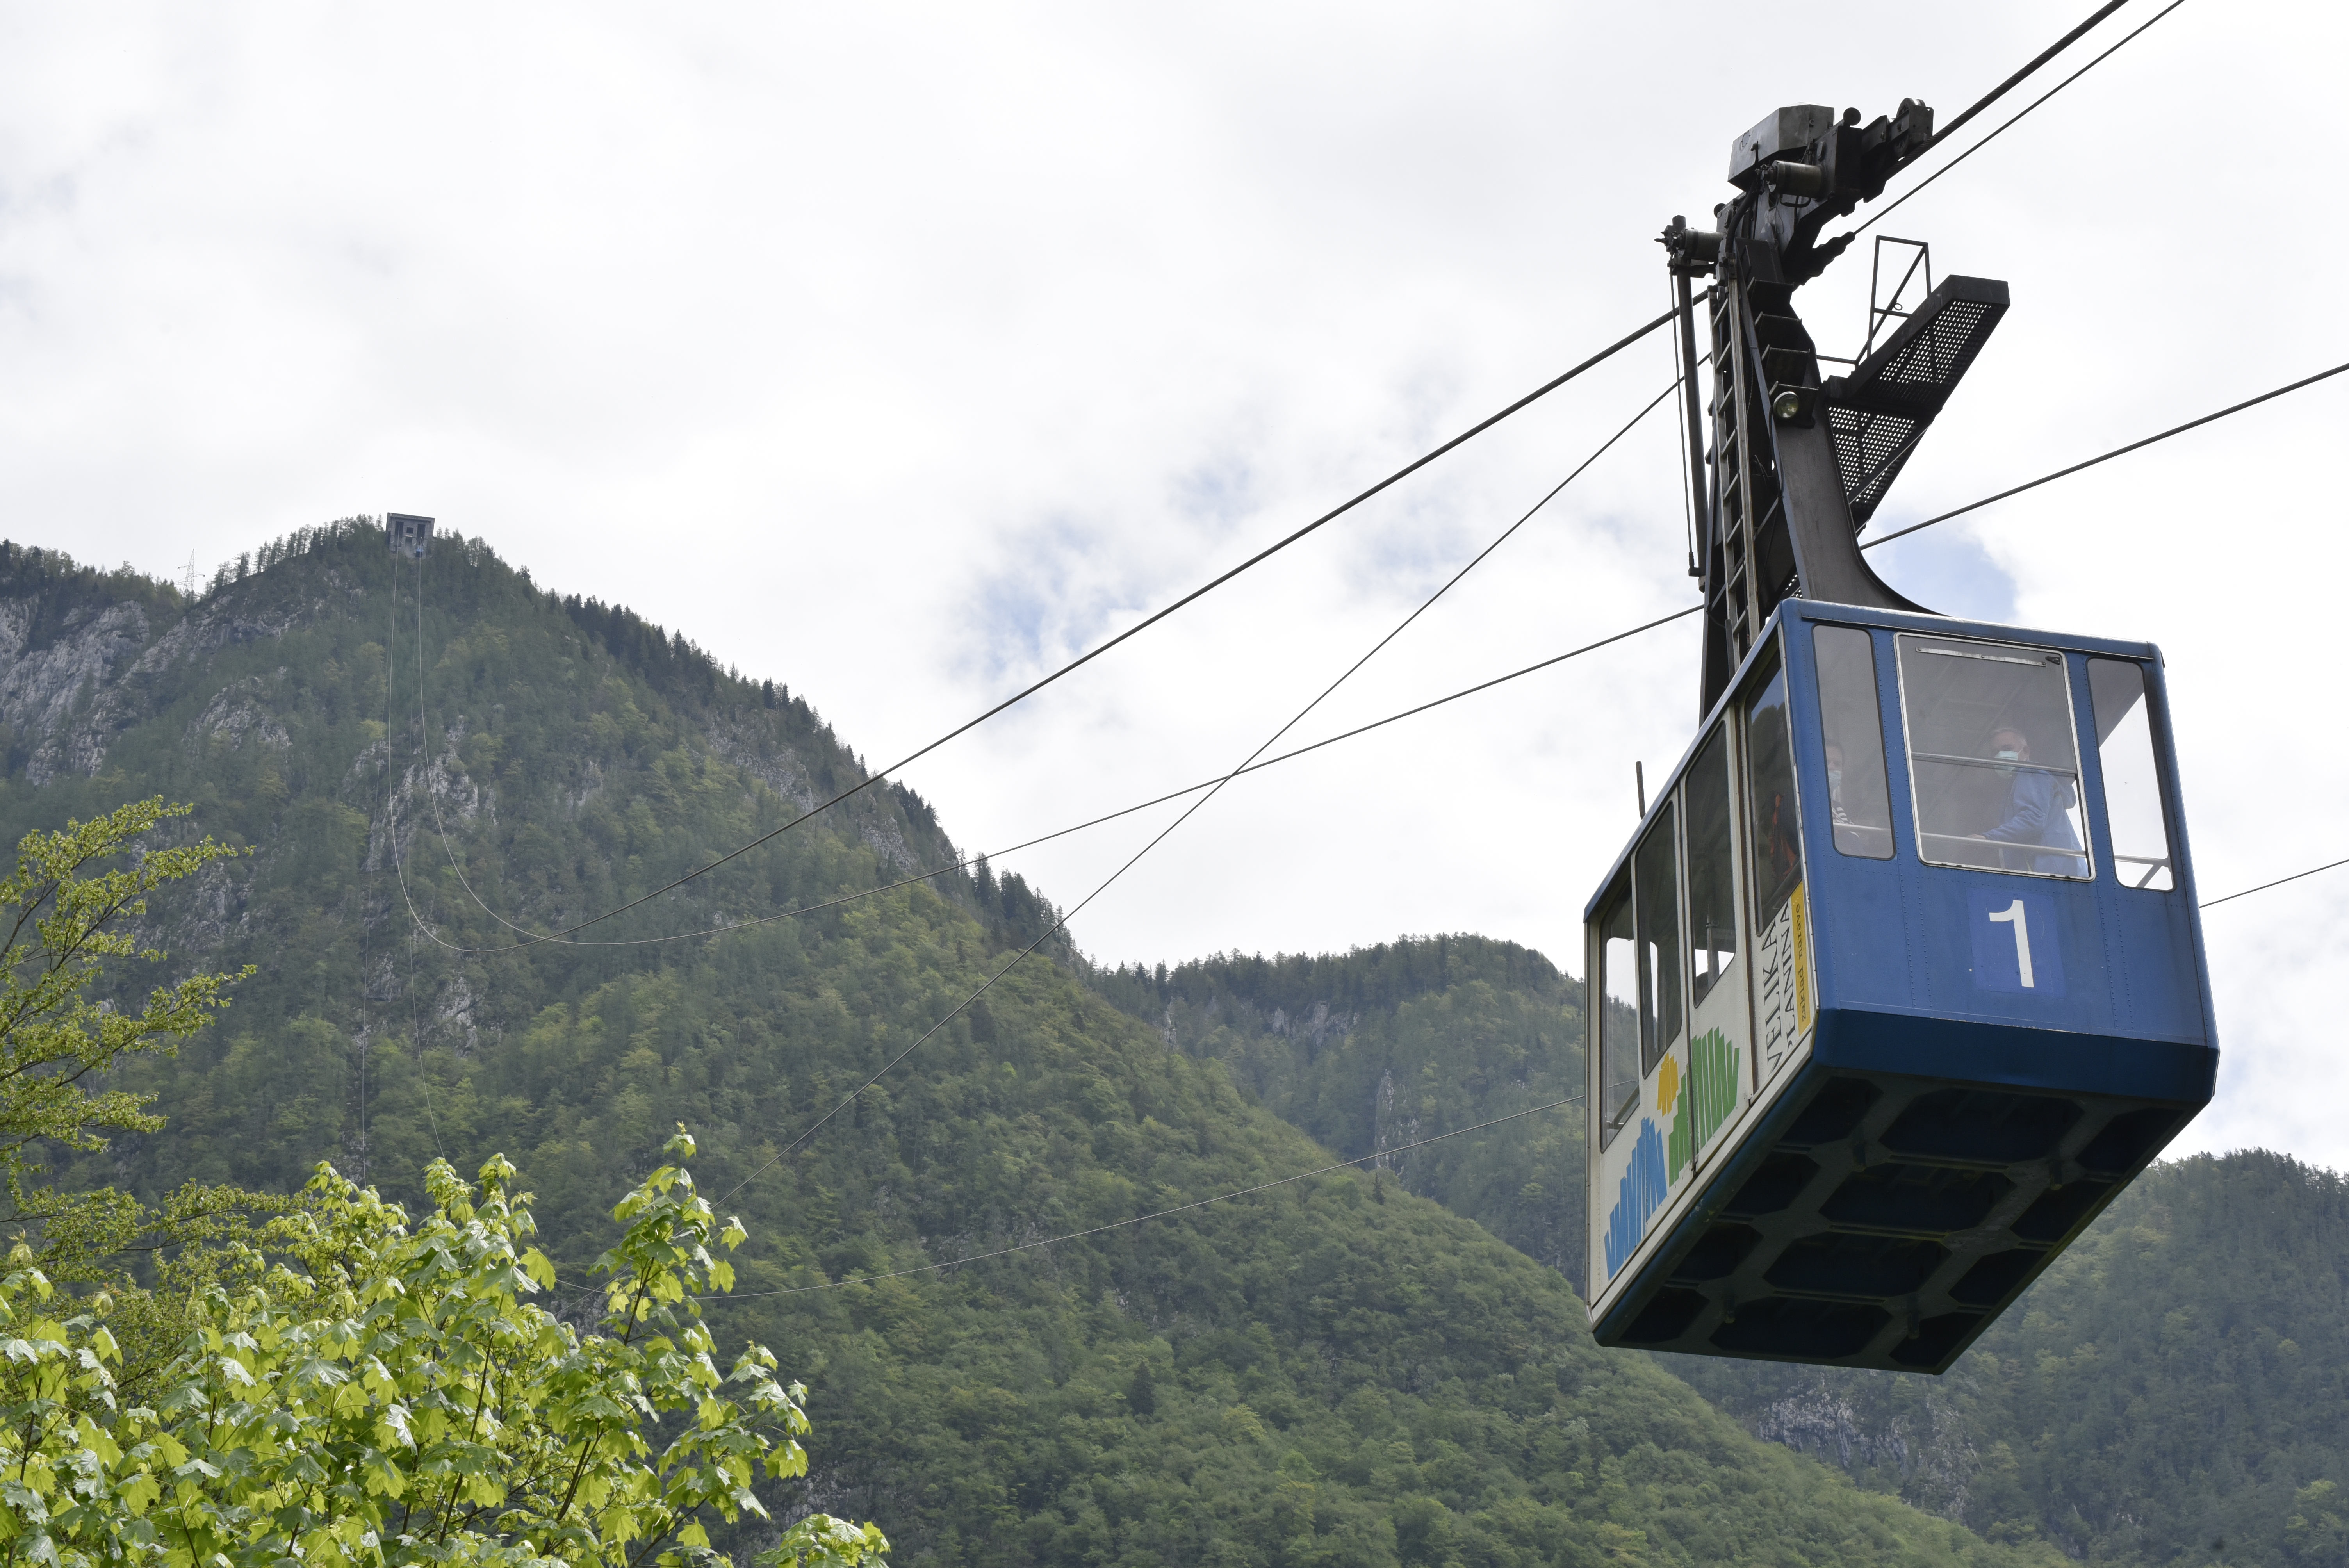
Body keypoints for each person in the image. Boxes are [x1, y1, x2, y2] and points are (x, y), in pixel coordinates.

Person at [1978, 725, 2087, 875]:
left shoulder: (2031, 773)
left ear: (2026, 752)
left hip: (2051, 874)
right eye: (1995, 752)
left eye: (2007, 748)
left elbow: (2032, 819)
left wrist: (1988, 837)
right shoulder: (2017, 786)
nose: (2000, 755)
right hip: (2061, 872)